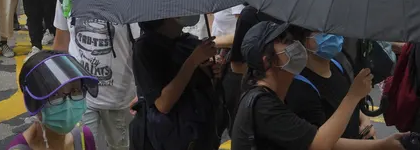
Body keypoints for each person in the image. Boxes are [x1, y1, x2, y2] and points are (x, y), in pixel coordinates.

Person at [230, 21, 405, 150]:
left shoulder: (271, 98)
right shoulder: (264, 105)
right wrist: (353, 96)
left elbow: (317, 139)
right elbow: (319, 144)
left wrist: (382, 145)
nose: (295, 45)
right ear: (267, 61)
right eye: (285, 41)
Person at [52, 0, 137, 150]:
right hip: (82, 97)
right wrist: (60, 88)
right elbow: (61, 43)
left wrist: (142, 92)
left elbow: (141, 46)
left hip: (121, 98)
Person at [129, 15, 223, 150]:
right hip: (167, 136)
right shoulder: (145, 48)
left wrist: (212, 71)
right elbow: (163, 104)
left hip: (200, 131)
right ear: (165, 16)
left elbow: (205, 85)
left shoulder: (189, 42)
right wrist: (193, 61)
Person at [285, 28, 376, 139]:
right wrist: (379, 145)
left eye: (333, 28)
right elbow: (319, 142)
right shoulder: (301, 87)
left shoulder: (336, 65)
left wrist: (364, 120)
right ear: (303, 40)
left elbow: (347, 103)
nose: (332, 35)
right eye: (322, 32)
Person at [9, 50, 99, 149]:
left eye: (75, 91)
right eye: (55, 95)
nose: (68, 103)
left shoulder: (83, 136)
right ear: (33, 102)